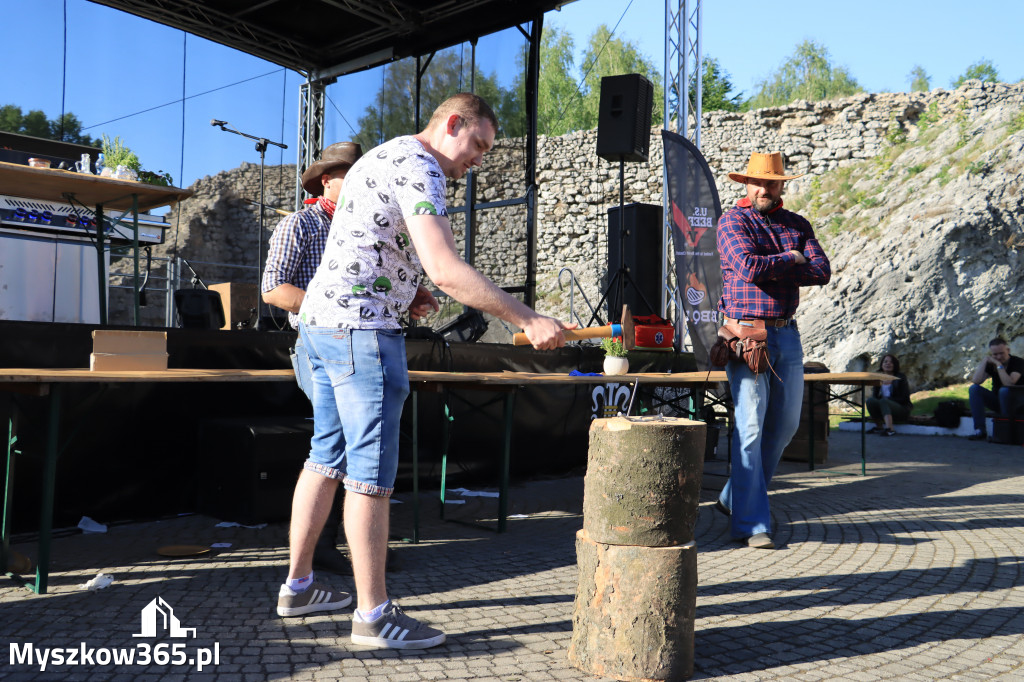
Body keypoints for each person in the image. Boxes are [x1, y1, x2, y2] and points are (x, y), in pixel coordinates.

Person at [277, 93, 573, 648]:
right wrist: (527, 317)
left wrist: (405, 289)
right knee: (371, 475)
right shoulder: (424, 168)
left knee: (325, 456)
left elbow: (371, 239)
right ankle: (373, 616)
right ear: (452, 123)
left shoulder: (385, 155)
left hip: (320, 326)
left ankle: (298, 586)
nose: (479, 159)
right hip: (361, 335)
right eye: (478, 144)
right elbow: (447, 267)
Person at [713, 151, 831, 550]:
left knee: (784, 428)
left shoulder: (797, 223)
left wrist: (778, 263)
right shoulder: (732, 220)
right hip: (747, 336)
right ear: (746, 184)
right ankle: (752, 525)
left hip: (788, 335)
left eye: (772, 182)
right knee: (749, 428)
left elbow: (821, 271)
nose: (765, 188)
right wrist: (791, 258)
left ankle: (732, 497)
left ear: (783, 185)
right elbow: (747, 266)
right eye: (758, 182)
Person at [261, 141, 362, 576]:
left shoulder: (364, 229)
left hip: (360, 344)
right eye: (350, 175)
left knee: (356, 445)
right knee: (335, 442)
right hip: (319, 344)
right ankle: (320, 548)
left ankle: (350, 545)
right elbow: (273, 288)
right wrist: (331, 309)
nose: (360, 184)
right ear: (326, 180)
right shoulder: (300, 225)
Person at [967, 337, 1024, 440]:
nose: (998, 357)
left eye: (1001, 353)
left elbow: (1009, 384)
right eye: (995, 354)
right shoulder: (991, 364)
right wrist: (984, 362)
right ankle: (980, 430)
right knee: (974, 389)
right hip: (998, 402)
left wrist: (999, 365)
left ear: (1008, 351)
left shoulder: (1018, 362)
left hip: (1017, 403)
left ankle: (1005, 430)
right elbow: (976, 381)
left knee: (1004, 390)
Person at [865, 354, 912, 436]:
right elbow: (875, 397)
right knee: (870, 401)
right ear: (882, 365)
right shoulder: (878, 378)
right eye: (885, 362)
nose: (888, 364)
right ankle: (879, 427)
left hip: (901, 409)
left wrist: (888, 400)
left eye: (891, 362)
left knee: (884, 401)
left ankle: (890, 429)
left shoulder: (900, 377)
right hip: (884, 407)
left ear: (895, 365)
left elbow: (905, 398)